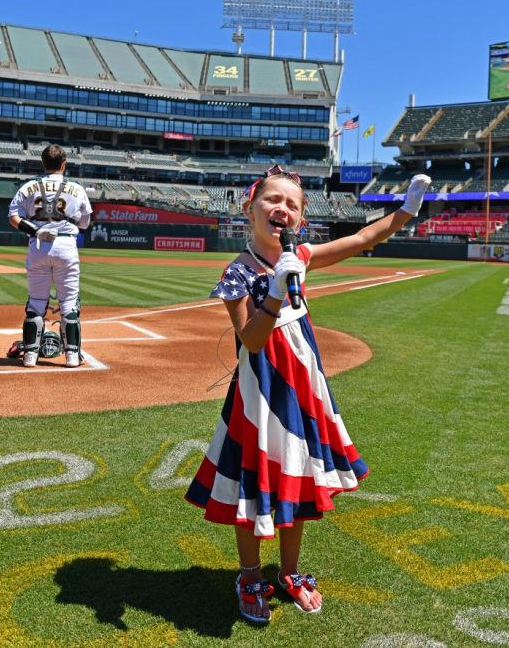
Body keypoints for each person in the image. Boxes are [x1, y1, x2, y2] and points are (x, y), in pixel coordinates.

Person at [185, 166, 432, 625]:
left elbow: (362, 239)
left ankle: (291, 572)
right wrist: (277, 288)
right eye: (272, 200)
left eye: (292, 205)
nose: (282, 209)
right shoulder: (237, 272)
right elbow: (252, 340)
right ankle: (249, 573)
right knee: (252, 482)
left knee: (296, 475)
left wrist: (406, 211)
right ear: (249, 207)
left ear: (300, 217)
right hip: (259, 397)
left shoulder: (299, 254)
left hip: (302, 387)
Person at [8, 144, 92, 368]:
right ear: (63, 165)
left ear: (43, 163)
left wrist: (35, 229)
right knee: (68, 303)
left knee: (36, 303)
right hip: (65, 244)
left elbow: (13, 217)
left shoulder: (28, 187)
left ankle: (30, 356)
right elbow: (85, 222)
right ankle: (72, 355)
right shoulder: (77, 188)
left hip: (38, 243)